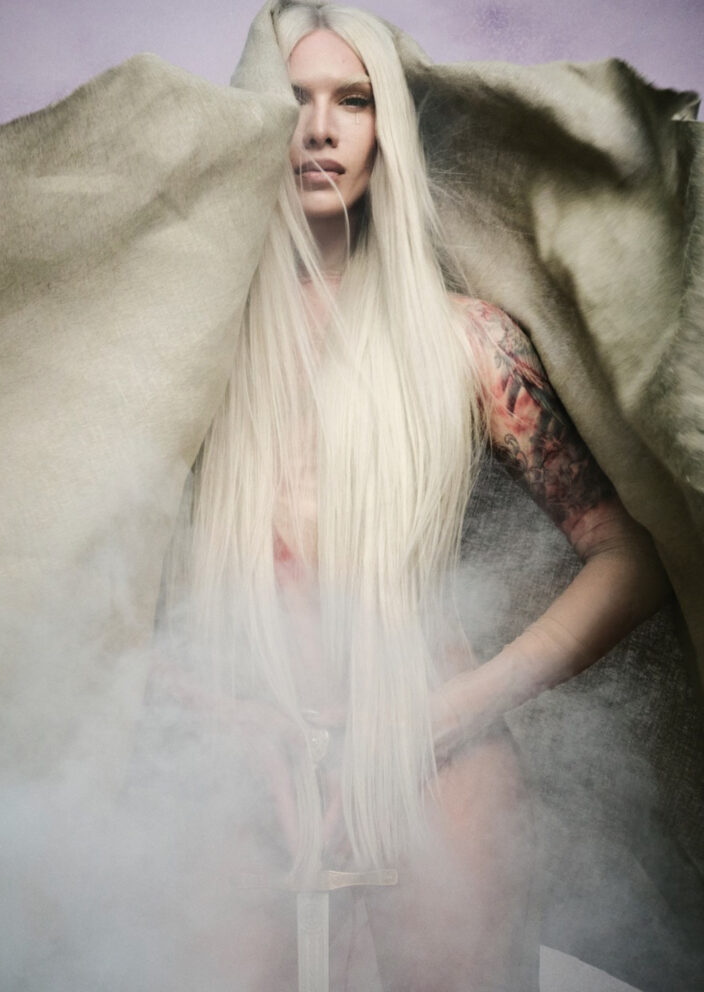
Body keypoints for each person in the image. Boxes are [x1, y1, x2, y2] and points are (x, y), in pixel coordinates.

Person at [150, 2, 672, 989]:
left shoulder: (469, 342)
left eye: (353, 100)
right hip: (242, 763)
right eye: (294, 100)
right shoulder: (188, 350)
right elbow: (100, 588)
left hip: (440, 764)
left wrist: (452, 712)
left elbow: (629, 558)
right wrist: (221, 715)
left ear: (386, 124)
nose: (320, 128)